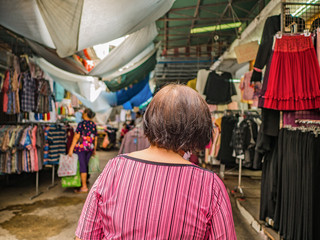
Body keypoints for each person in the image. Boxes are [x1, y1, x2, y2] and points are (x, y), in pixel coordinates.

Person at [75, 85, 236, 239]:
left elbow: (85, 236)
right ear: (199, 129)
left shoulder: (115, 168)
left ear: (149, 122)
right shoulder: (210, 185)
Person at [68, 108, 98, 193]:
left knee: (82, 166)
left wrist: (71, 149)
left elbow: (76, 137)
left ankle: (84, 187)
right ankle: (86, 181)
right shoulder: (93, 124)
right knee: (86, 164)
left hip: (81, 148)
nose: (81, 113)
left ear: (85, 114)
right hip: (89, 148)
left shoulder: (81, 124)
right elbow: (95, 138)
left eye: (83, 112)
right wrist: (94, 149)